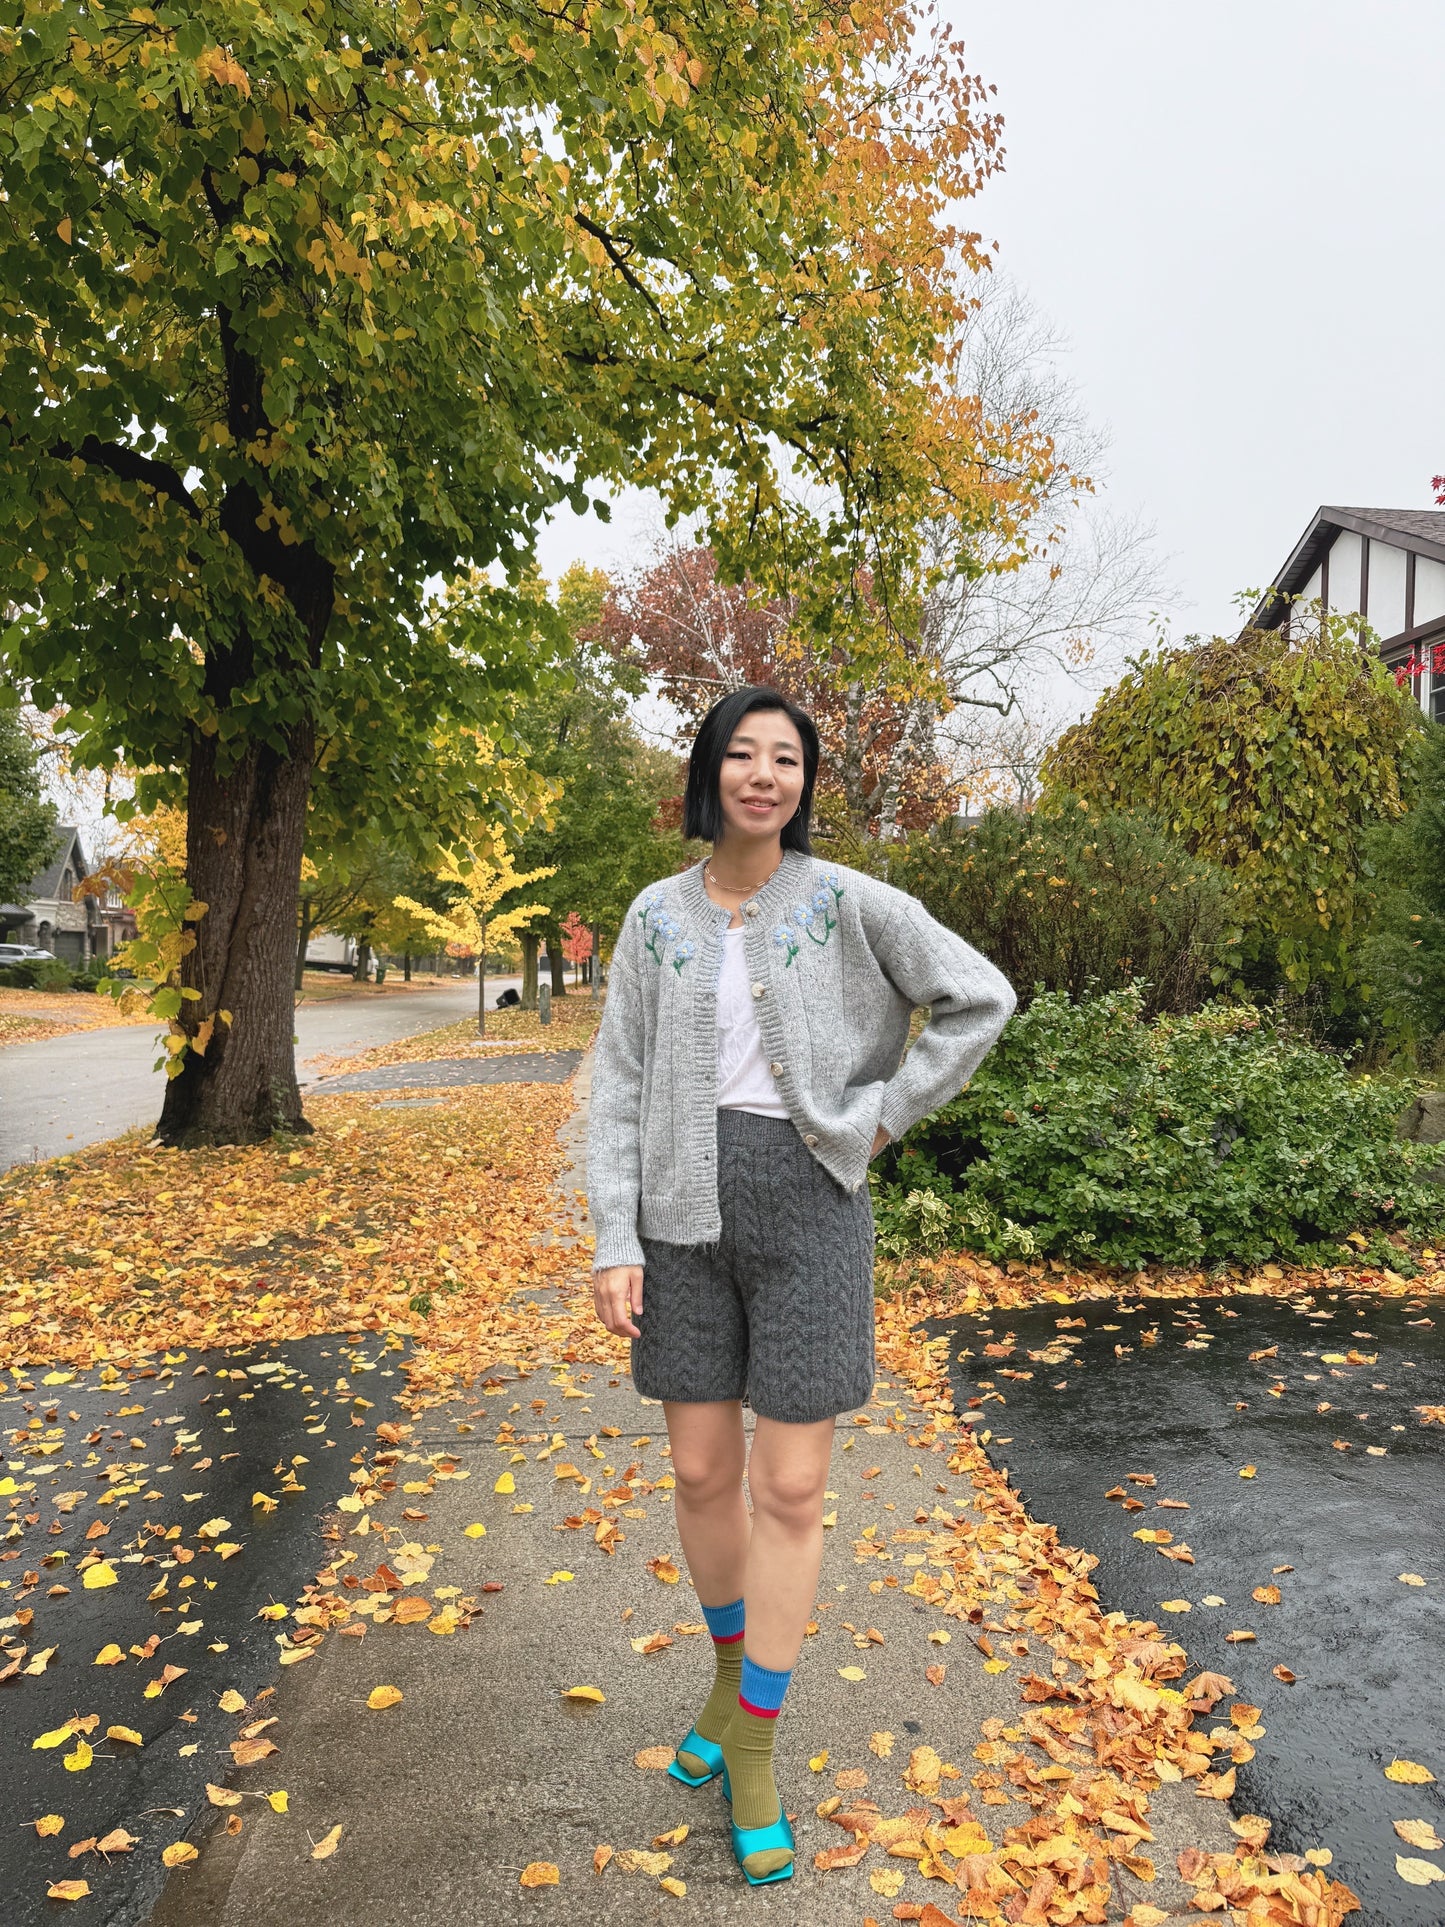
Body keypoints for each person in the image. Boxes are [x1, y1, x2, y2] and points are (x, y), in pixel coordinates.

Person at [587, 685, 1016, 1887]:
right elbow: (617, 1083)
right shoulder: (654, 916)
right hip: (677, 1218)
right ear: (708, 772)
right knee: (698, 1471)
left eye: (784, 758)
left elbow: (977, 994)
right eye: (742, 753)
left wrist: (879, 1117)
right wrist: (611, 1236)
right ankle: (729, 1679)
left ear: (803, 783)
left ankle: (758, 1744)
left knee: (788, 1484)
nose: (763, 775)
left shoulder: (842, 902)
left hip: (812, 1216)